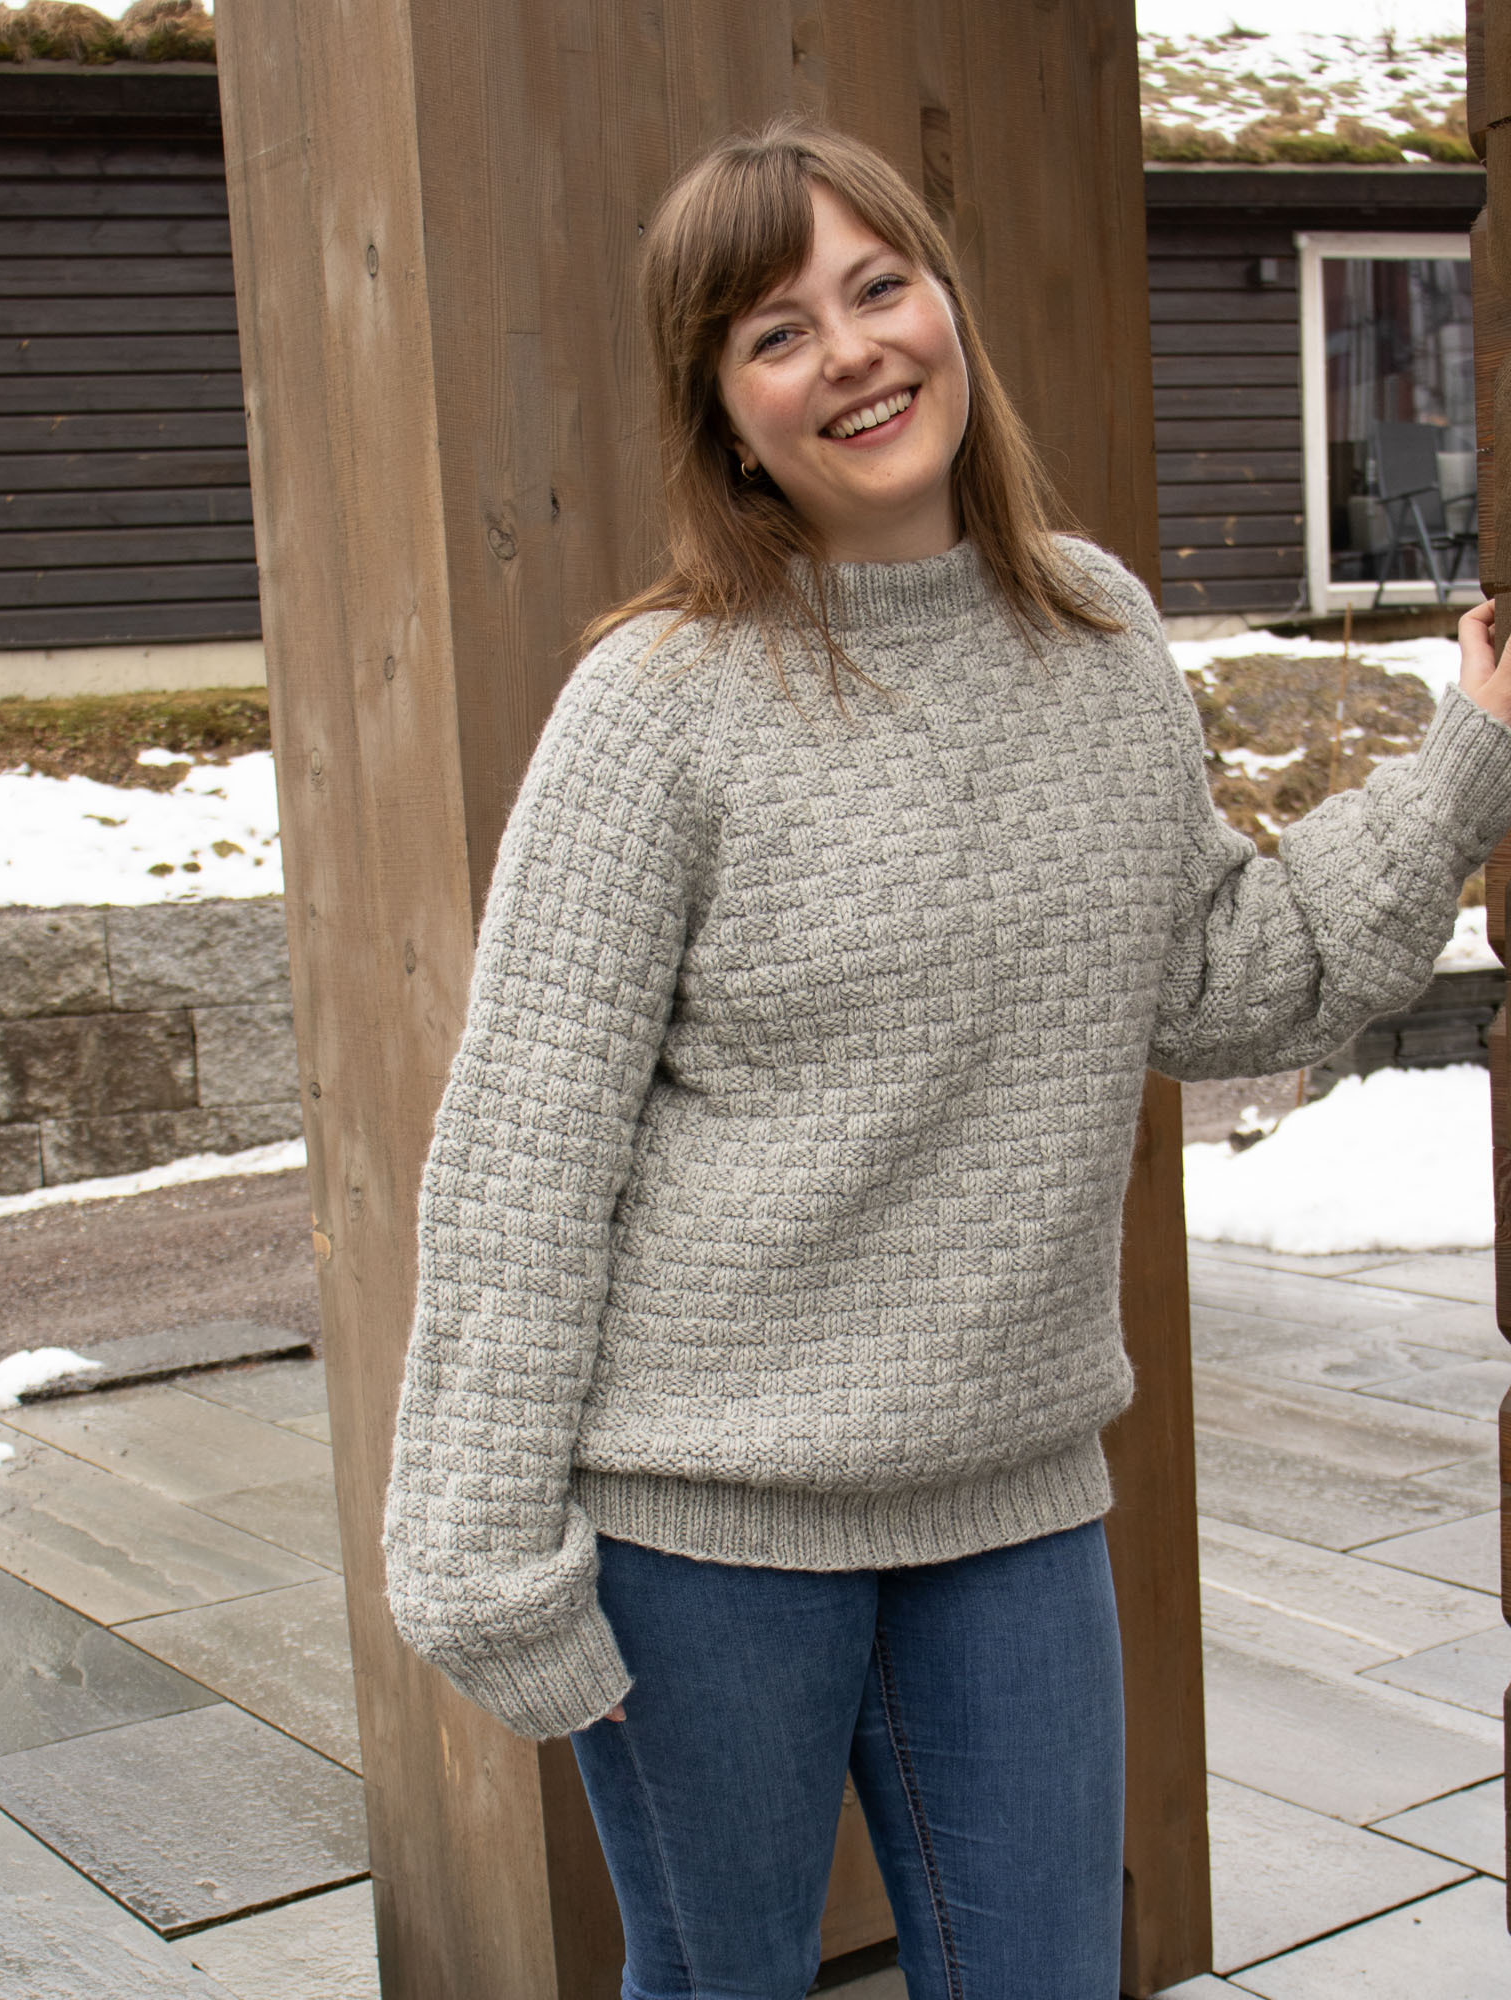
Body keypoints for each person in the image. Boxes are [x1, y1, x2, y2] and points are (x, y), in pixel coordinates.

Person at [383, 118, 1511, 2000]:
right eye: (775, 332)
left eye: (877, 287)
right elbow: (523, 1157)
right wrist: (481, 1549)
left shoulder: (1094, 633)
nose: (851, 353)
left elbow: (1229, 979)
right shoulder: (656, 706)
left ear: (945, 305)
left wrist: (1472, 741)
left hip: (1010, 1503)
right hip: (704, 1526)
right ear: (723, 414)